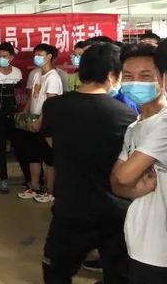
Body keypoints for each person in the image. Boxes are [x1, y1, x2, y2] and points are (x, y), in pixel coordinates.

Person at [40, 42, 137, 283]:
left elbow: (52, 142)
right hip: (114, 210)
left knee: (56, 272)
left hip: (70, 206)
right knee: (118, 274)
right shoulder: (126, 116)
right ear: (112, 75)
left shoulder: (53, 107)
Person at [111, 42, 167, 283]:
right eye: (128, 76)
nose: (136, 83)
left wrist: (128, 184)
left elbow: (122, 177)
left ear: (162, 79)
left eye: (145, 76)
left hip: (160, 250)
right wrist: (132, 188)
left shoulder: (164, 123)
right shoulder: (134, 127)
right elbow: (116, 183)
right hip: (140, 240)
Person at [0, 42, 29, 194]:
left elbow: (20, 95)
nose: (1, 59)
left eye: (4, 56)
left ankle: (29, 179)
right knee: (0, 149)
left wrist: (21, 114)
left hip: (14, 115)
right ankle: (4, 180)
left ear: (11, 57)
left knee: (20, 147)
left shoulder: (17, 73)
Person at [18, 43, 63, 203]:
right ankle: (35, 186)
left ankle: (50, 191)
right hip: (33, 120)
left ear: (49, 56)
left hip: (47, 122)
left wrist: (40, 121)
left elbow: (51, 104)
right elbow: (32, 97)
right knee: (33, 156)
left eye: (40, 54)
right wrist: (25, 113)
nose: (36, 57)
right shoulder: (36, 74)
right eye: (35, 54)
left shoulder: (53, 77)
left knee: (49, 159)